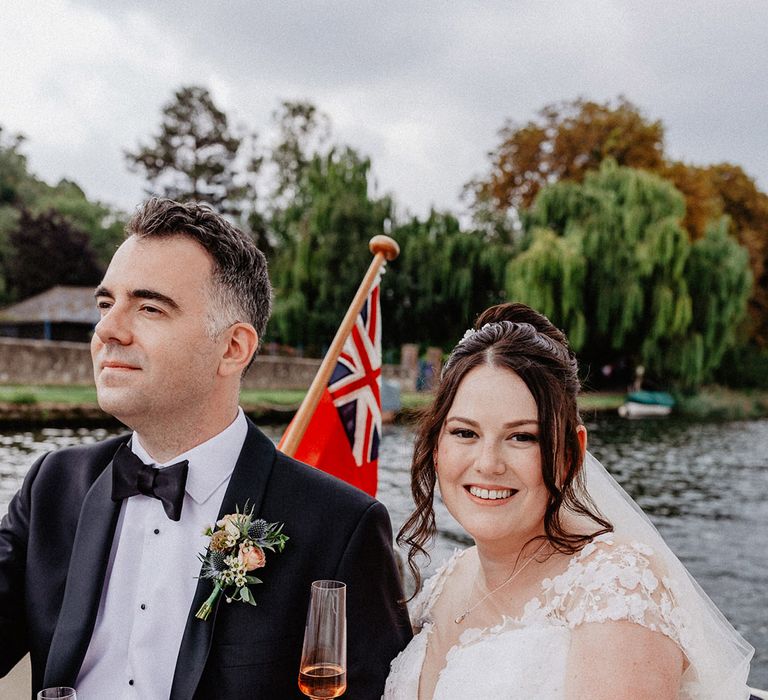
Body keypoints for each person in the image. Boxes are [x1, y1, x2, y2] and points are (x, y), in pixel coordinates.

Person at [0, 198, 412, 699]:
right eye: (106, 304)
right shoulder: (52, 484)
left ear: (233, 348)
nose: (107, 329)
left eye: (149, 307)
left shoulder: (340, 528)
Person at [384, 302, 754, 699]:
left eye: (522, 437)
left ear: (571, 454)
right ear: (436, 447)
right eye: (465, 433)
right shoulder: (441, 585)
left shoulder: (615, 589)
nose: (488, 464)